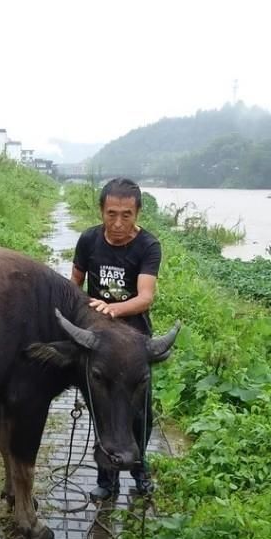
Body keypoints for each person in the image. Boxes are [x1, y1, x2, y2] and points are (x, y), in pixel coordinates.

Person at [71, 177, 162, 501]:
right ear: (101, 211)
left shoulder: (148, 246)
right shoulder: (89, 240)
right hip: (102, 345)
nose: (118, 222)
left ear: (138, 212)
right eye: (111, 213)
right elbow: (75, 287)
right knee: (105, 414)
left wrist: (112, 308)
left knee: (141, 414)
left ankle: (139, 469)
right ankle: (107, 481)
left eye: (127, 214)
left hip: (135, 342)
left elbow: (145, 297)